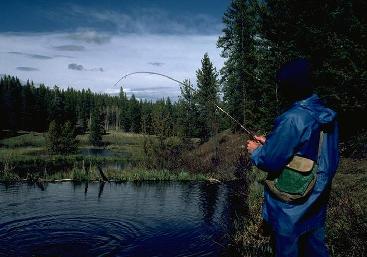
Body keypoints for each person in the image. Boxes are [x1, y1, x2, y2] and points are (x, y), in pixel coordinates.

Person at [247, 58, 339, 257]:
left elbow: (269, 161)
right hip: (317, 196)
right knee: (315, 249)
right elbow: (310, 149)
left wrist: (256, 150)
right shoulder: (325, 114)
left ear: (289, 88)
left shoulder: (293, 118)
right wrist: (270, 142)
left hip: (291, 206)